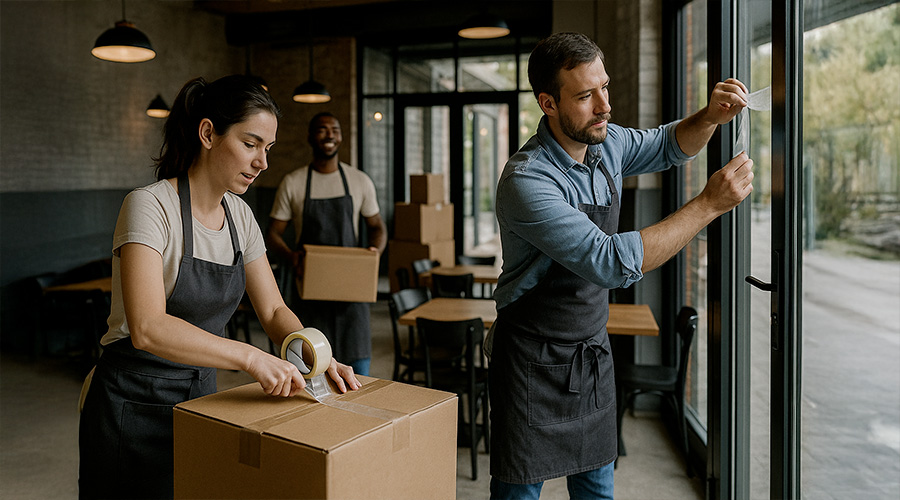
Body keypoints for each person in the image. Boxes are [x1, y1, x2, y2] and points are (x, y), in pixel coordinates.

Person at [487, 32, 754, 499]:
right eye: (586, 95)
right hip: (530, 362)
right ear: (548, 103)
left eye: (604, 87)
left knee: (597, 490)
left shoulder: (606, 144)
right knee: (518, 495)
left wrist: (711, 116)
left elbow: (669, 144)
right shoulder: (527, 180)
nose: (604, 106)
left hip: (590, 355)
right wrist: (708, 205)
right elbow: (609, 262)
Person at [78, 75, 361, 500]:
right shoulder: (150, 206)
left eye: (268, 148)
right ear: (208, 133)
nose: (262, 162)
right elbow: (149, 327)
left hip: (201, 400)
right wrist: (251, 358)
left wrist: (314, 355)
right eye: (251, 144)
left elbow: (273, 311)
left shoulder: (241, 217)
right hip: (131, 405)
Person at [266, 112, 387, 376]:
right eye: (322, 129)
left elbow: (377, 227)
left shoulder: (359, 181)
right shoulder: (294, 183)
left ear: (341, 137)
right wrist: (291, 256)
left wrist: (373, 254)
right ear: (310, 137)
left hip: (352, 297)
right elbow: (272, 234)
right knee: (310, 375)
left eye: (335, 129)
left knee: (358, 379)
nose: (330, 134)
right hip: (309, 296)